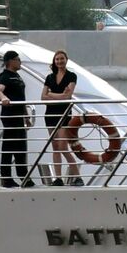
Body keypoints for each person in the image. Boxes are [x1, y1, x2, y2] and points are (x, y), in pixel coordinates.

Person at [41, 50, 79, 186]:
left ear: (66, 60)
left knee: (63, 147)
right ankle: (58, 178)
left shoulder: (71, 76)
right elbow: (42, 98)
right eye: (57, 59)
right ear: (54, 61)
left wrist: (51, 94)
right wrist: (58, 95)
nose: (59, 61)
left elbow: (67, 97)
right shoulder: (49, 77)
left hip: (64, 115)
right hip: (50, 115)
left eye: (61, 59)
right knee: (55, 147)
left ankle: (77, 176)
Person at [0, 51, 30, 187]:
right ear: (10, 61)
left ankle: (23, 175)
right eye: (17, 59)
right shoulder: (5, 76)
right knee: (9, 146)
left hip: (19, 116)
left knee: (21, 146)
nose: (20, 61)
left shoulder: (17, 76)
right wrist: (4, 98)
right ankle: (7, 177)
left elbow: (21, 97)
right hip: (10, 115)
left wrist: (26, 115)